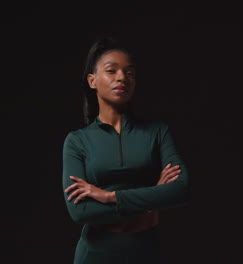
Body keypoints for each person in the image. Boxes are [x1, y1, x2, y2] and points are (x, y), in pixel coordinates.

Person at [62, 36, 191, 263]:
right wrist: (153, 200)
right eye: (112, 71)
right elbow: (80, 212)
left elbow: (181, 190)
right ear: (92, 81)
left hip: (146, 253)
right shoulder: (76, 141)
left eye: (129, 73)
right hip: (95, 255)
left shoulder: (157, 132)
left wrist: (109, 196)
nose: (122, 77)